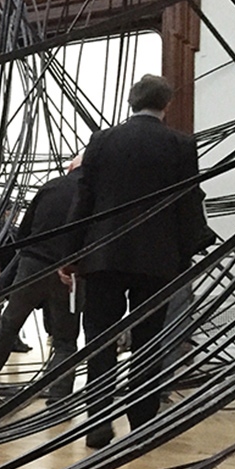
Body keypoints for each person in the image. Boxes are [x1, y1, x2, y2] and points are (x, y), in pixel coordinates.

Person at [61, 74, 206, 449]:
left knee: (100, 340)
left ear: (130, 101)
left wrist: (70, 253)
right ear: (166, 104)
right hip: (157, 262)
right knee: (148, 341)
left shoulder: (101, 141)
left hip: (103, 256)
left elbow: (84, 200)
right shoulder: (180, 144)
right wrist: (189, 249)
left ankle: (98, 424)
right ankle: (142, 424)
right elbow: (188, 201)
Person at [0, 156, 84, 397]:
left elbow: (23, 232)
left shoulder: (51, 186)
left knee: (9, 323)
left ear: (71, 167)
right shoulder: (94, 192)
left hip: (33, 264)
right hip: (70, 271)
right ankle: (59, 396)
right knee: (65, 339)